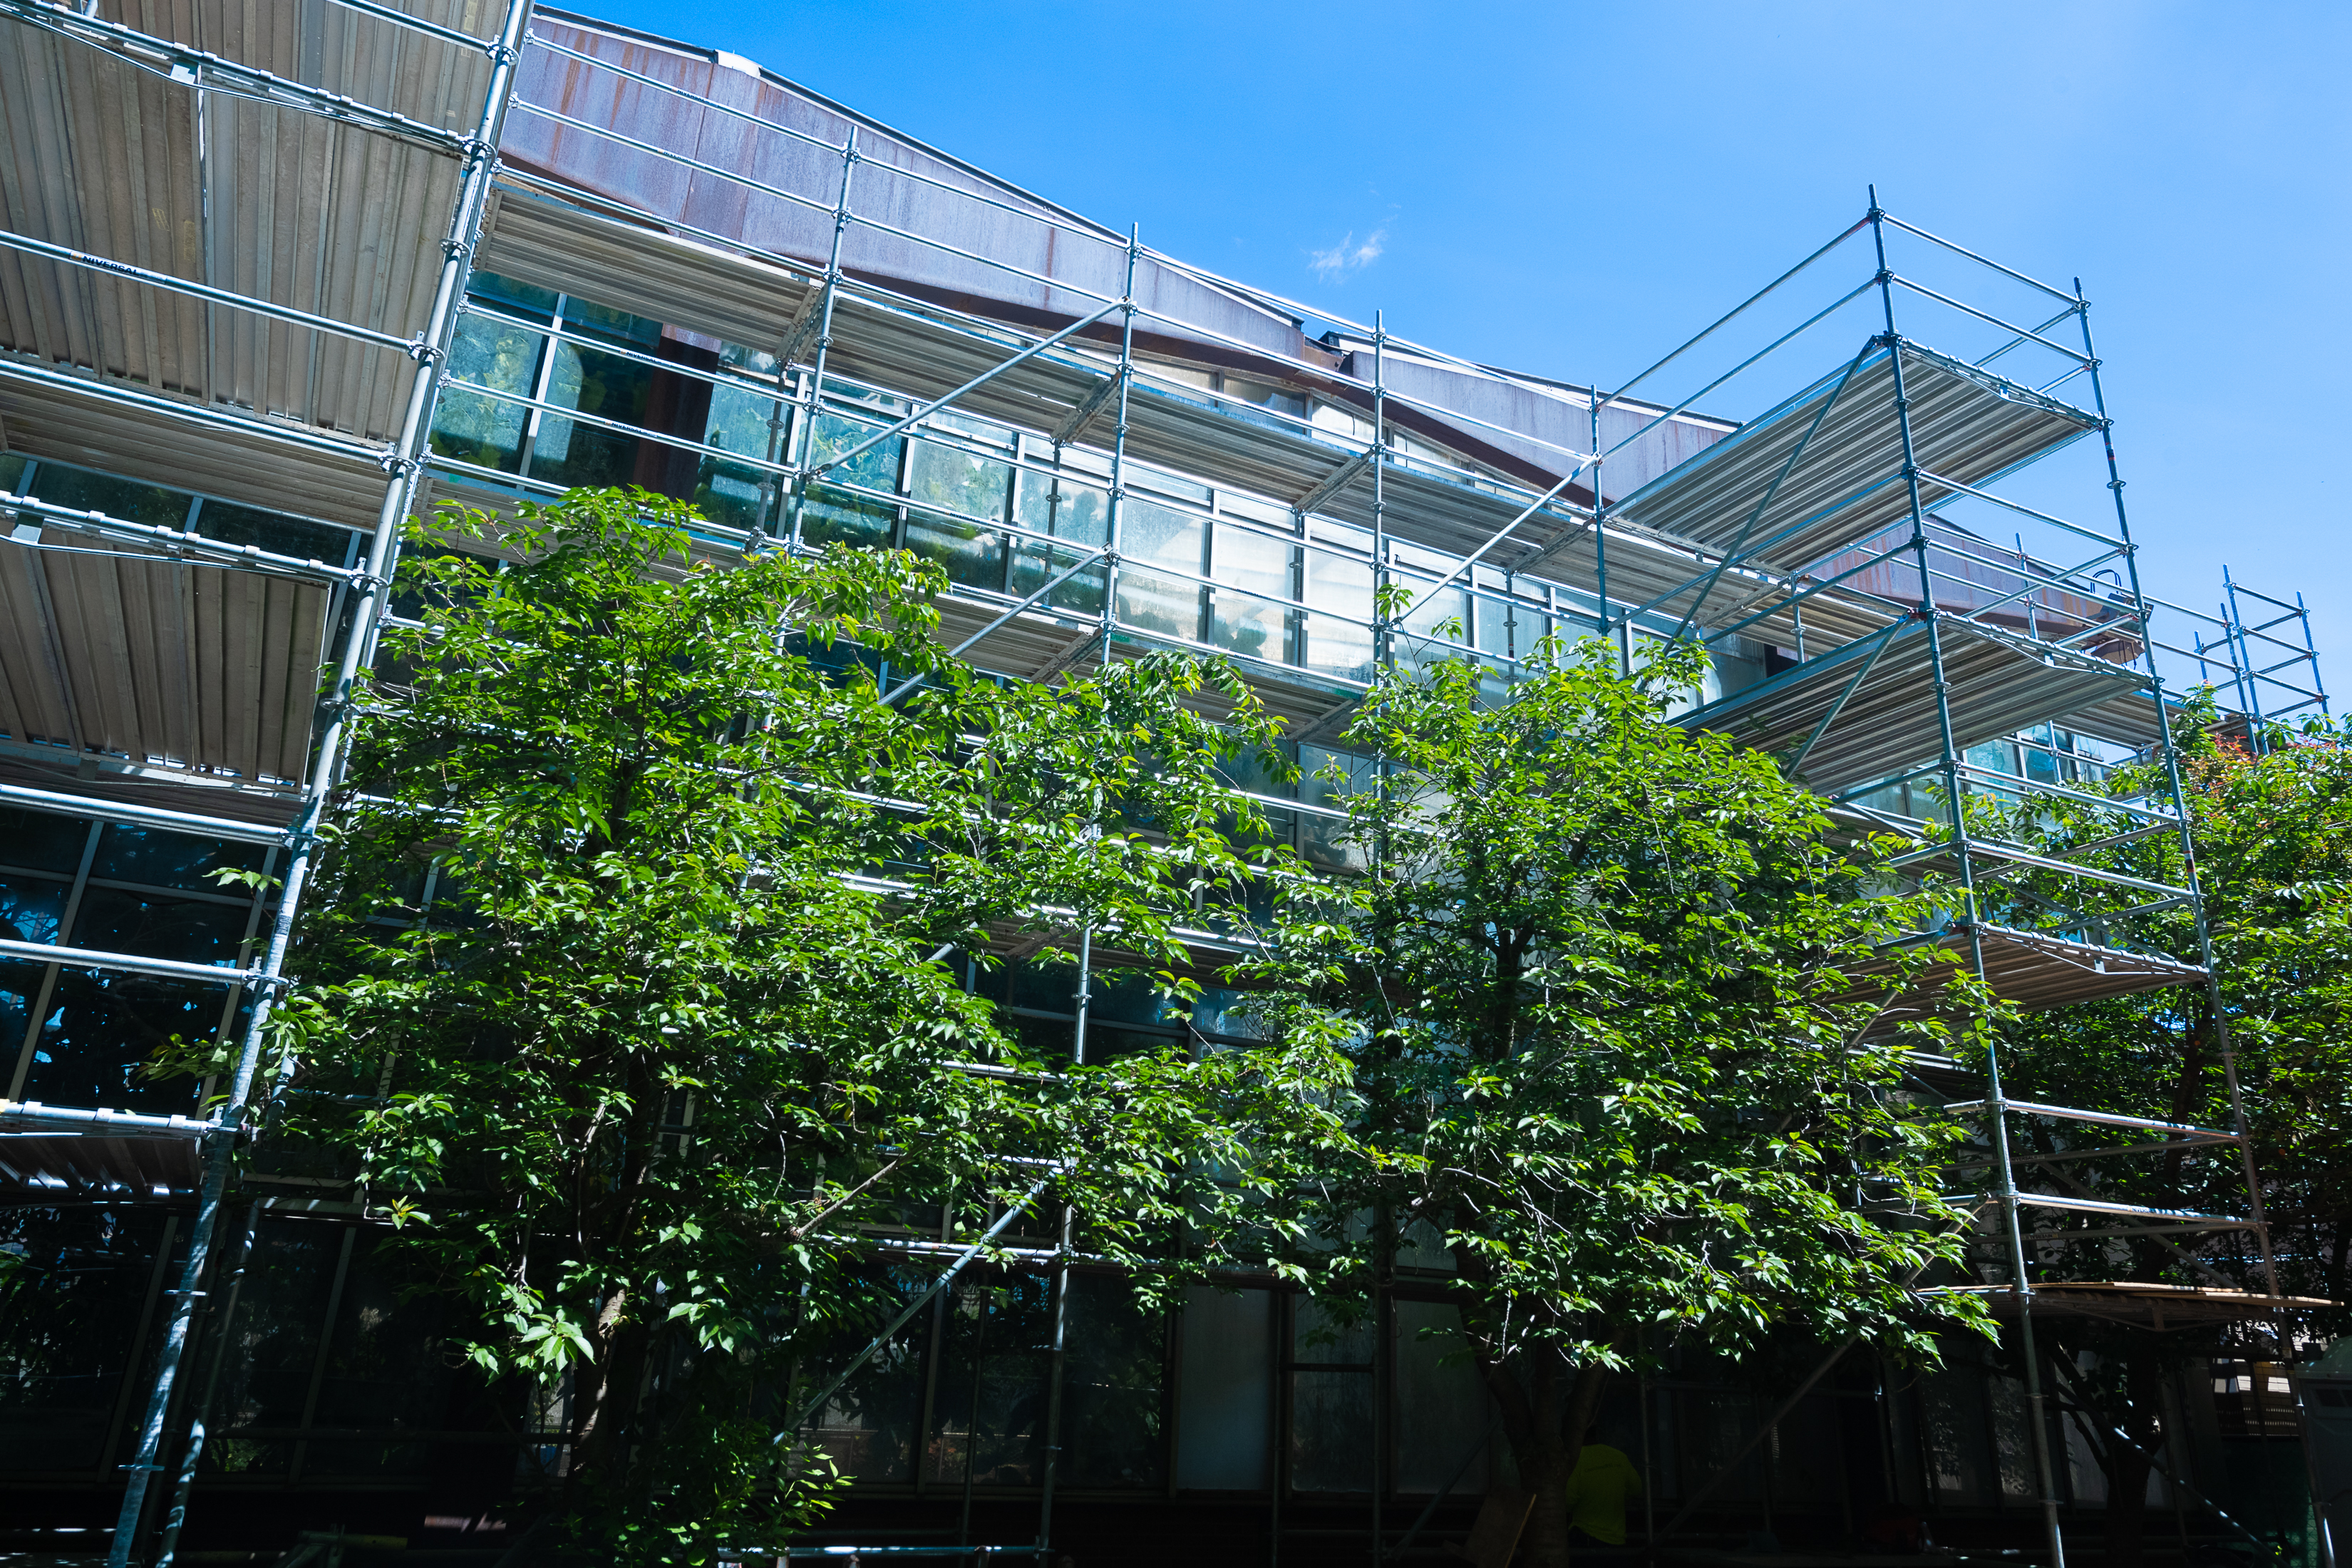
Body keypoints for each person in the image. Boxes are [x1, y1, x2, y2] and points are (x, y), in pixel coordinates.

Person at [1562, 1428, 1644, 1551]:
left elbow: (1567, 1500)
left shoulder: (1576, 1460)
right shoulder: (1619, 1457)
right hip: (1617, 1540)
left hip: (1587, 1540)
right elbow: (1637, 1488)